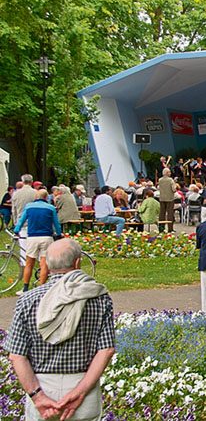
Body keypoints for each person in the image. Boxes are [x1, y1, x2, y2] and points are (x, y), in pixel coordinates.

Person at [3, 238, 115, 421]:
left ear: (46, 263)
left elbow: (16, 355)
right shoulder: (99, 297)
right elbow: (107, 350)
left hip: (41, 386)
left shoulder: (28, 300)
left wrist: (38, 397)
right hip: (83, 386)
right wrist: (80, 392)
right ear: (77, 262)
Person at [13, 189, 62, 294]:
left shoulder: (29, 207)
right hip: (47, 237)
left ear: (36, 197)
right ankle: (41, 289)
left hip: (32, 237)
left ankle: (25, 288)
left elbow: (21, 220)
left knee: (29, 264)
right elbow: (56, 224)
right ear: (46, 197)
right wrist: (58, 234)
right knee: (44, 264)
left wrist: (16, 230)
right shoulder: (51, 208)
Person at [12, 174, 37, 265]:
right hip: (33, 221)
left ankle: (24, 262)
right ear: (32, 182)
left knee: (23, 244)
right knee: (34, 242)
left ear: (22, 182)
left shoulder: (16, 193)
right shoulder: (35, 193)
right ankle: (34, 259)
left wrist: (15, 223)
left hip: (21, 221)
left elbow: (14, 210)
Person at [157, 168, 176, 232]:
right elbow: (174, 189)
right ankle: (170, 229)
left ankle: (161, 228)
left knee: (162, 213)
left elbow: (158, 188)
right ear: (167, 173)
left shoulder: (160, 180)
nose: (170, 173)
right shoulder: (171, 180)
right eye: (169, 172)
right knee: (170, 213)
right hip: (170, 198)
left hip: (162, 198)